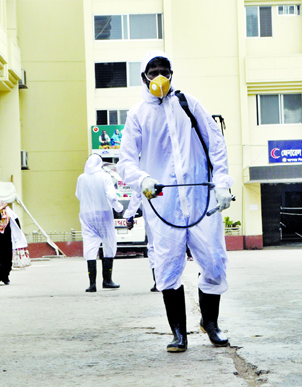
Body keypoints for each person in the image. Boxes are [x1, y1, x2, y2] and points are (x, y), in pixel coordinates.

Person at [118, 51, 234, 352]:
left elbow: (215, 144)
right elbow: (126, 162)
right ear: (143, 76)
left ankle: (210, 323)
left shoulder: (189, 104)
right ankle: (178, 332)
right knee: (168, 266)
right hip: (164, 203)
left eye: (165, 71)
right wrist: (142, 179)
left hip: (200, 199)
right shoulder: (137, 115)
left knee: (214, 260)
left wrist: (222, 183)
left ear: (172, 74)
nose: (160, 76)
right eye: (153, 71)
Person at [76, 154, 124, 292]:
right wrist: (119, 209)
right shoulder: (105, 176)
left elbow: (78, 195)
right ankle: (107, 280)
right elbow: (111, 195)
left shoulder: (81, 178)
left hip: (86, 215)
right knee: (109, 244)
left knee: (90, 246)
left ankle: (92, 284)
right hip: (104, 214)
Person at [124, 190, 159, 292]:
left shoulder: (145, 176)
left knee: (153, 246)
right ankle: (170, 281)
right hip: (172, 213)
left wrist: (130, 216)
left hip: (152, 213)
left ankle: (159, 281)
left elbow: (137, 194)